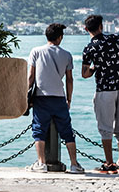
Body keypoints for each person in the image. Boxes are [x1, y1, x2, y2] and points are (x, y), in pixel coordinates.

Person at [81, 14, 119, 174]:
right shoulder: (113, 39)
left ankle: (109, 163)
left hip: (105, 90)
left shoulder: (89, 48)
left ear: (86, 29)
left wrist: (94, 68)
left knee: (105, 127)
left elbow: (85, 73)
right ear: (101, 27)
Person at [27, 23, 83, 173]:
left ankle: (41, 163)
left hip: (41, 97)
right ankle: (74, 164)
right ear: (60, 37)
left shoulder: (36, 51)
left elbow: (31, 77)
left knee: (39, 129)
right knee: (67, 131)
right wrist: (69, 100)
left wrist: (25, 93)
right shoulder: (67, 55)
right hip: (59, 97)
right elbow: (69, 80)